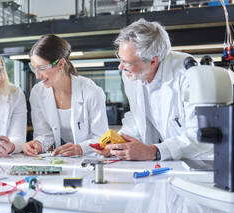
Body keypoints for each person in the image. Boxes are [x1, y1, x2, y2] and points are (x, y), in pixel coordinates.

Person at [94, 19, 213, 161]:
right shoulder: (131, 75)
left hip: (202, 163)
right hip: (168, 163)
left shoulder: (188, 74)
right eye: (120, 59)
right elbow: (137, 117)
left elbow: (201, 135)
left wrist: (153, 151)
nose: (120, 67)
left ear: (153, 61)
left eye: (126, 62)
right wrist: (118, 144)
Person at [23, 34, 108, 157]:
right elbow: (45, 135)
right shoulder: (37, 92)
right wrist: (38, 143)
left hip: (92, 159)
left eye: (42, 68)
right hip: (62, 161)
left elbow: (101, 137)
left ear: (61, 64)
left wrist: (80, 149)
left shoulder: (92, 92)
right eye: (34, 68)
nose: (37, 76)